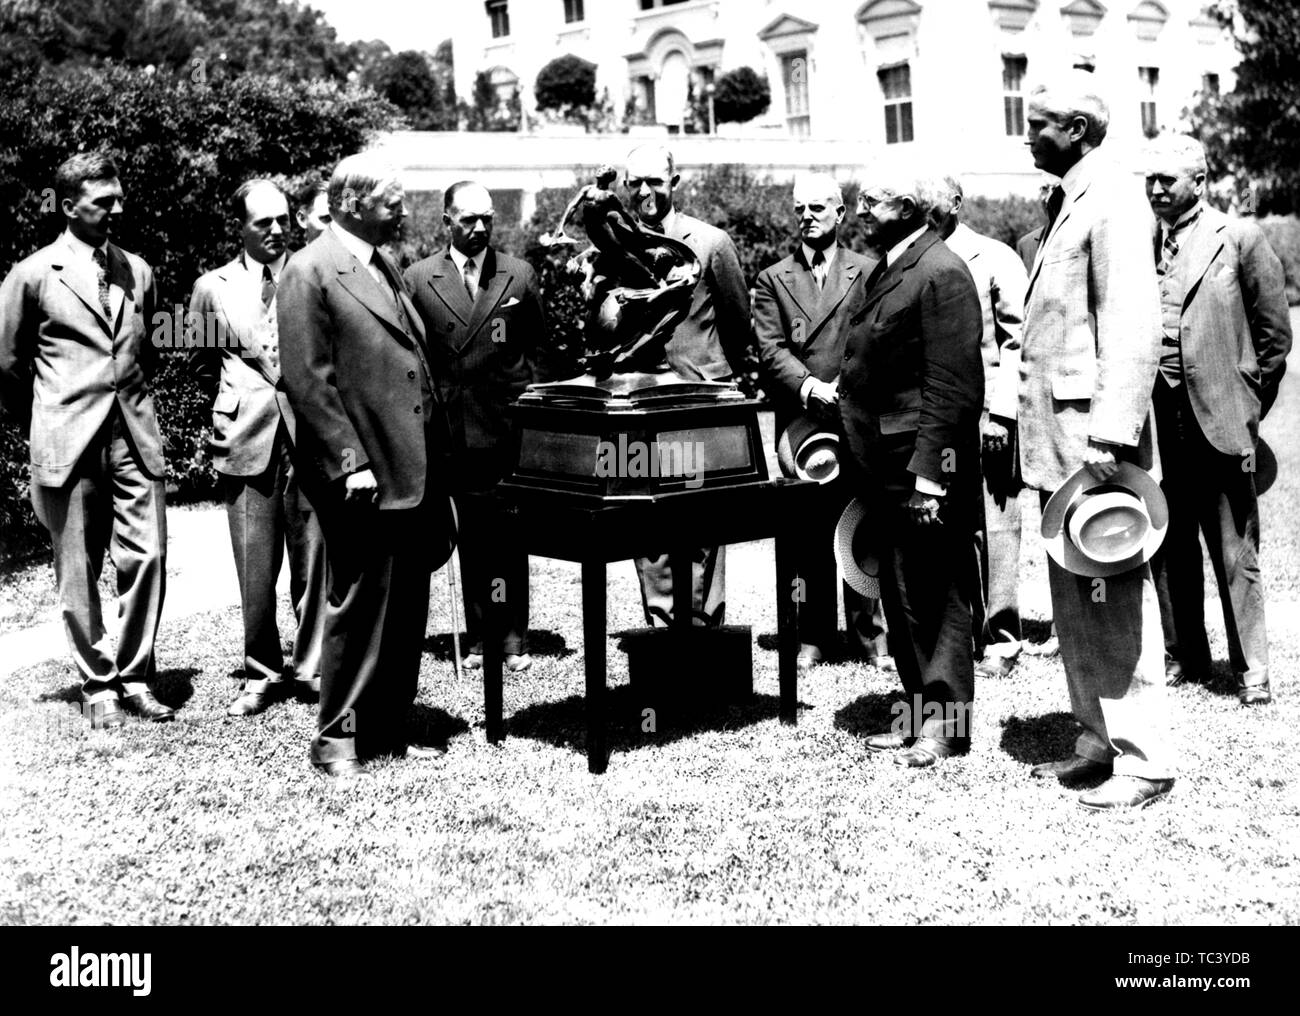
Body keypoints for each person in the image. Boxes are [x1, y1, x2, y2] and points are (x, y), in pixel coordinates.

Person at [994, 72, 1174, 810]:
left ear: (1078, 129)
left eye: (1038, 123)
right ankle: (1098, 737)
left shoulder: (1117, 201)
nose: (1026, 135)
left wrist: (1110, 430)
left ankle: (1145, 760)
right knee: (1075, 594)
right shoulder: (1068, 199)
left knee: (1114, 595)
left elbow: (1131, 321)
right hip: (1056, 439)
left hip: (1092, 439)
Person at [277, 153, 457, 779]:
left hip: (412, 472)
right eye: (392, 199)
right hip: (364, 478)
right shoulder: (309, 270)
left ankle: (388, 722)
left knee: (406, 605)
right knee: (355, 606)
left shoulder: (384, 267)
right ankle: (338, 739)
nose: (403, 209)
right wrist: (350, 461)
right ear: (351, 203)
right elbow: (307, 379)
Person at [0, 152, 171, 728]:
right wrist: (50, 414)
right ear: (69, 206)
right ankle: (99, 683)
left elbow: (143, 352)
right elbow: (7, 363)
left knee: (147, 555)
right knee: (77, 565)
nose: (117, 210)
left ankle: (136, 675)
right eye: (103, 203)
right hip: (66, 440)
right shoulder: (30, 275)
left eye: (119, 199)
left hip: (134, 436)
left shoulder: (138, 270)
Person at [839, 166, 984, 769]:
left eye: (873, 200)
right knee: (900, 598)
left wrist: (931, 477)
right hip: (884, 467)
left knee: (938, 594)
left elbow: (952, 388)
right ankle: (918, 716)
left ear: (907, 206)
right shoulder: (893, 265)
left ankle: (947, 729)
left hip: (920, 471)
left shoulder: (941, 271)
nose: (861, 208)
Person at [1143, 133, 1291, 705]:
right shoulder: (1139, 244)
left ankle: (1253, 667)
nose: (1156, 189)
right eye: (1149, 180)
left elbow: (1275, 339)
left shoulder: (1239, 238)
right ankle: (1186, 656)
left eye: (1167, 180)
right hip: (1159, 423)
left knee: (1235, 548)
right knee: (1169, 541)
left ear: (1199, 183)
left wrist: (1247, 409)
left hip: (1223, 421)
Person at [188, 179, 327, 716]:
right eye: (262, 222)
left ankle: (311, 665)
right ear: (239, 228)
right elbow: (201, 363)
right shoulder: (212, 287)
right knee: (254, 564)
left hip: (310, 436)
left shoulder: (311, 274)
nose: (275, 229)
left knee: (315, 559)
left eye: (282, 219)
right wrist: (232, 406)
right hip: (246, 438)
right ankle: (262, 671)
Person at [405, 180, 545, 673]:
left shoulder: (519, 275)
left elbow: (537, 352)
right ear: (446, 222)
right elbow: (413, 358)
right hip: (450, 432)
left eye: (487, 218)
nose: (480, 227)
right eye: (468, 220)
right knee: (468, 537)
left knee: (508, 537)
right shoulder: (418, 279)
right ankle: (480, 631)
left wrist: (532, 411)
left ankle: (511, 637)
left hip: (506, 431)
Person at [753, 171, 888, 675]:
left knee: (861, 524)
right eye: (799, 210)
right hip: (801, 420)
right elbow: (770, 350)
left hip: (856, 416)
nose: (807, 217)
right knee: (805, 530)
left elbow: (877, 342)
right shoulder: (772, 279)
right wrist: (811, 388)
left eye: (817, 208)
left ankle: (868, 635)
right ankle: (810, 636)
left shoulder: (871, 271)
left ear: (840, 213)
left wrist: (846, 391)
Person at [623, 144, 752, 628]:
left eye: (655, 181)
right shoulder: (620, 248)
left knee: (703, 518)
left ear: (675, 183)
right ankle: (660, 626)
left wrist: (717, 379)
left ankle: (705, 629)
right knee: (645, 519)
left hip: (699, 401)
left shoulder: (711, 243)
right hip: (638, 405)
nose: (645, 191)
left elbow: (738, 325)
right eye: (635, 182)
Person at [930, 175, 1030, 680]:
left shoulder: (995, 257)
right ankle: (959, 631)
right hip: (938, 421)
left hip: (989, 417)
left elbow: (1018, 342)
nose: (927, 210)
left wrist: (1004, 413)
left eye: (936, 201)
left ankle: (1003, 640)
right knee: (949, 524)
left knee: (997, 527)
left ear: (956, 204)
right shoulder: (912, 260)